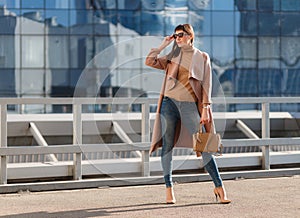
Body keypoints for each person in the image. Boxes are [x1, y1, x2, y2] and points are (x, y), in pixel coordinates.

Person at [145, 24, 231, 204]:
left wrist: (206, 107)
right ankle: (169, 189)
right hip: (169, 104)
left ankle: (219, 187)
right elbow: (150, 61)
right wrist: (162, 46)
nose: (177, 38)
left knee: (204, 145)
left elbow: (207, 84)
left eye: (181, 35)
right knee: (167, 145)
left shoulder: (202, 57)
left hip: (190, 106)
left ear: (190, 36)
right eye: (175, 35)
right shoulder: (172, 56)